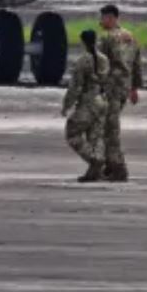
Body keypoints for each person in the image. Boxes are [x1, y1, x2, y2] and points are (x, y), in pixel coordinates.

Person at [96, 4, 143, 183]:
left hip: (110, 88)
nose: (101, 21)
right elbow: (137, 64)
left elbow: (99, 64)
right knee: (110, 127)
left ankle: (118, 168)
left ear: (111, 18)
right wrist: (134, 88)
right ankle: (110, 166)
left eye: (103, 18)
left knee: (109, 130)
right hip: (123, 88)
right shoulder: (130, 37)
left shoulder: (106, 38)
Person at [64, 28, 113, 182]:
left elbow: (76, 86)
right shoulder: (104, 59)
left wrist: (67, 105)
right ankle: (94, 172)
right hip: (101, 101)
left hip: (88, 102)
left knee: (72, 132)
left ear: (83, 41)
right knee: (95, 136)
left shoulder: (83, 61)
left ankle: (94, 159)